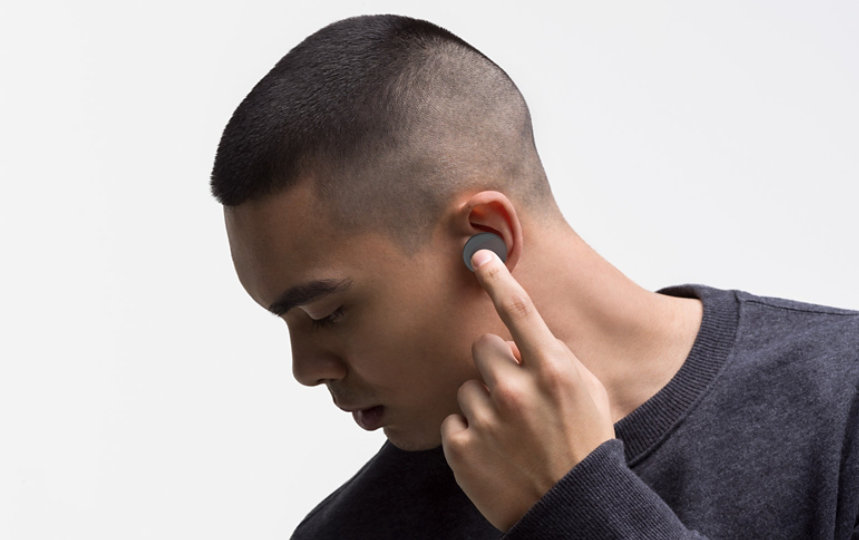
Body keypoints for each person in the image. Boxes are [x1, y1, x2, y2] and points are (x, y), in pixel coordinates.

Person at [210, 14, 859, 539]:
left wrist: (573, 500)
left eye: (328, 313)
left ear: (483, 237)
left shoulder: (843, 400)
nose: (305, 367)